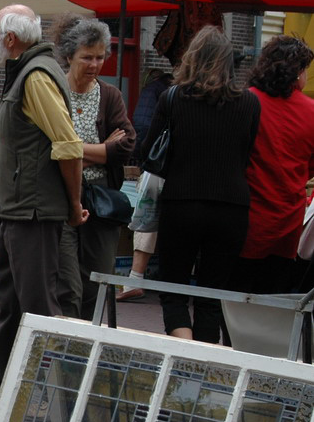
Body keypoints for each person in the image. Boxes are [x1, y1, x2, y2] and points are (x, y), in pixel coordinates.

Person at [0, 4, 85, 397]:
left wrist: (72, 204)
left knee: (39, 303)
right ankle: (2, 376)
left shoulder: (35, 76)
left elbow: (68, 145)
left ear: (10, 39)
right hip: (18, 207)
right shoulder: (27, 72)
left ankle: (63, 391)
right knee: (12, 298)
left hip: (33, 209)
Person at [140, 25, 260, 342]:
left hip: (182, 204)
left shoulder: (173, 98)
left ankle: (183, 357)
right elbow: (246, 152)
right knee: (212, 295)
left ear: (191, 59)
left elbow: (147, 151)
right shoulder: (249, 103)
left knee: (173, 289)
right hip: (231, 208)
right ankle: (202, 370)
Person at [50, 14, 136, 319]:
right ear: (69, 55)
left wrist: (72, 152)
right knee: (67, 283)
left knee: (97, 280)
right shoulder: (53, 93)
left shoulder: (110, 96)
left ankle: (86, 347)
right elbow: (47, 149)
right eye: (87, 57)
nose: (95, 64)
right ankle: (66, 342)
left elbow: (125, 145)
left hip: (100, 201)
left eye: (100, 57)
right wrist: (100, 150)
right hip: (60, 197)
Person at [232, 35, 314, 294]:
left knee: (234, 299)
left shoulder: (244, 101)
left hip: (246, 218)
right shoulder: (311, 111)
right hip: (287, 224)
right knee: (274, 301)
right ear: (299, 71)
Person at [117, 68, 174, 302]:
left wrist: (145, 158)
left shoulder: (163, 93)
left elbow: (141, 127)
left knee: (148, 214)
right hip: (191, 174)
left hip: (160, 168)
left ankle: (135, 277)